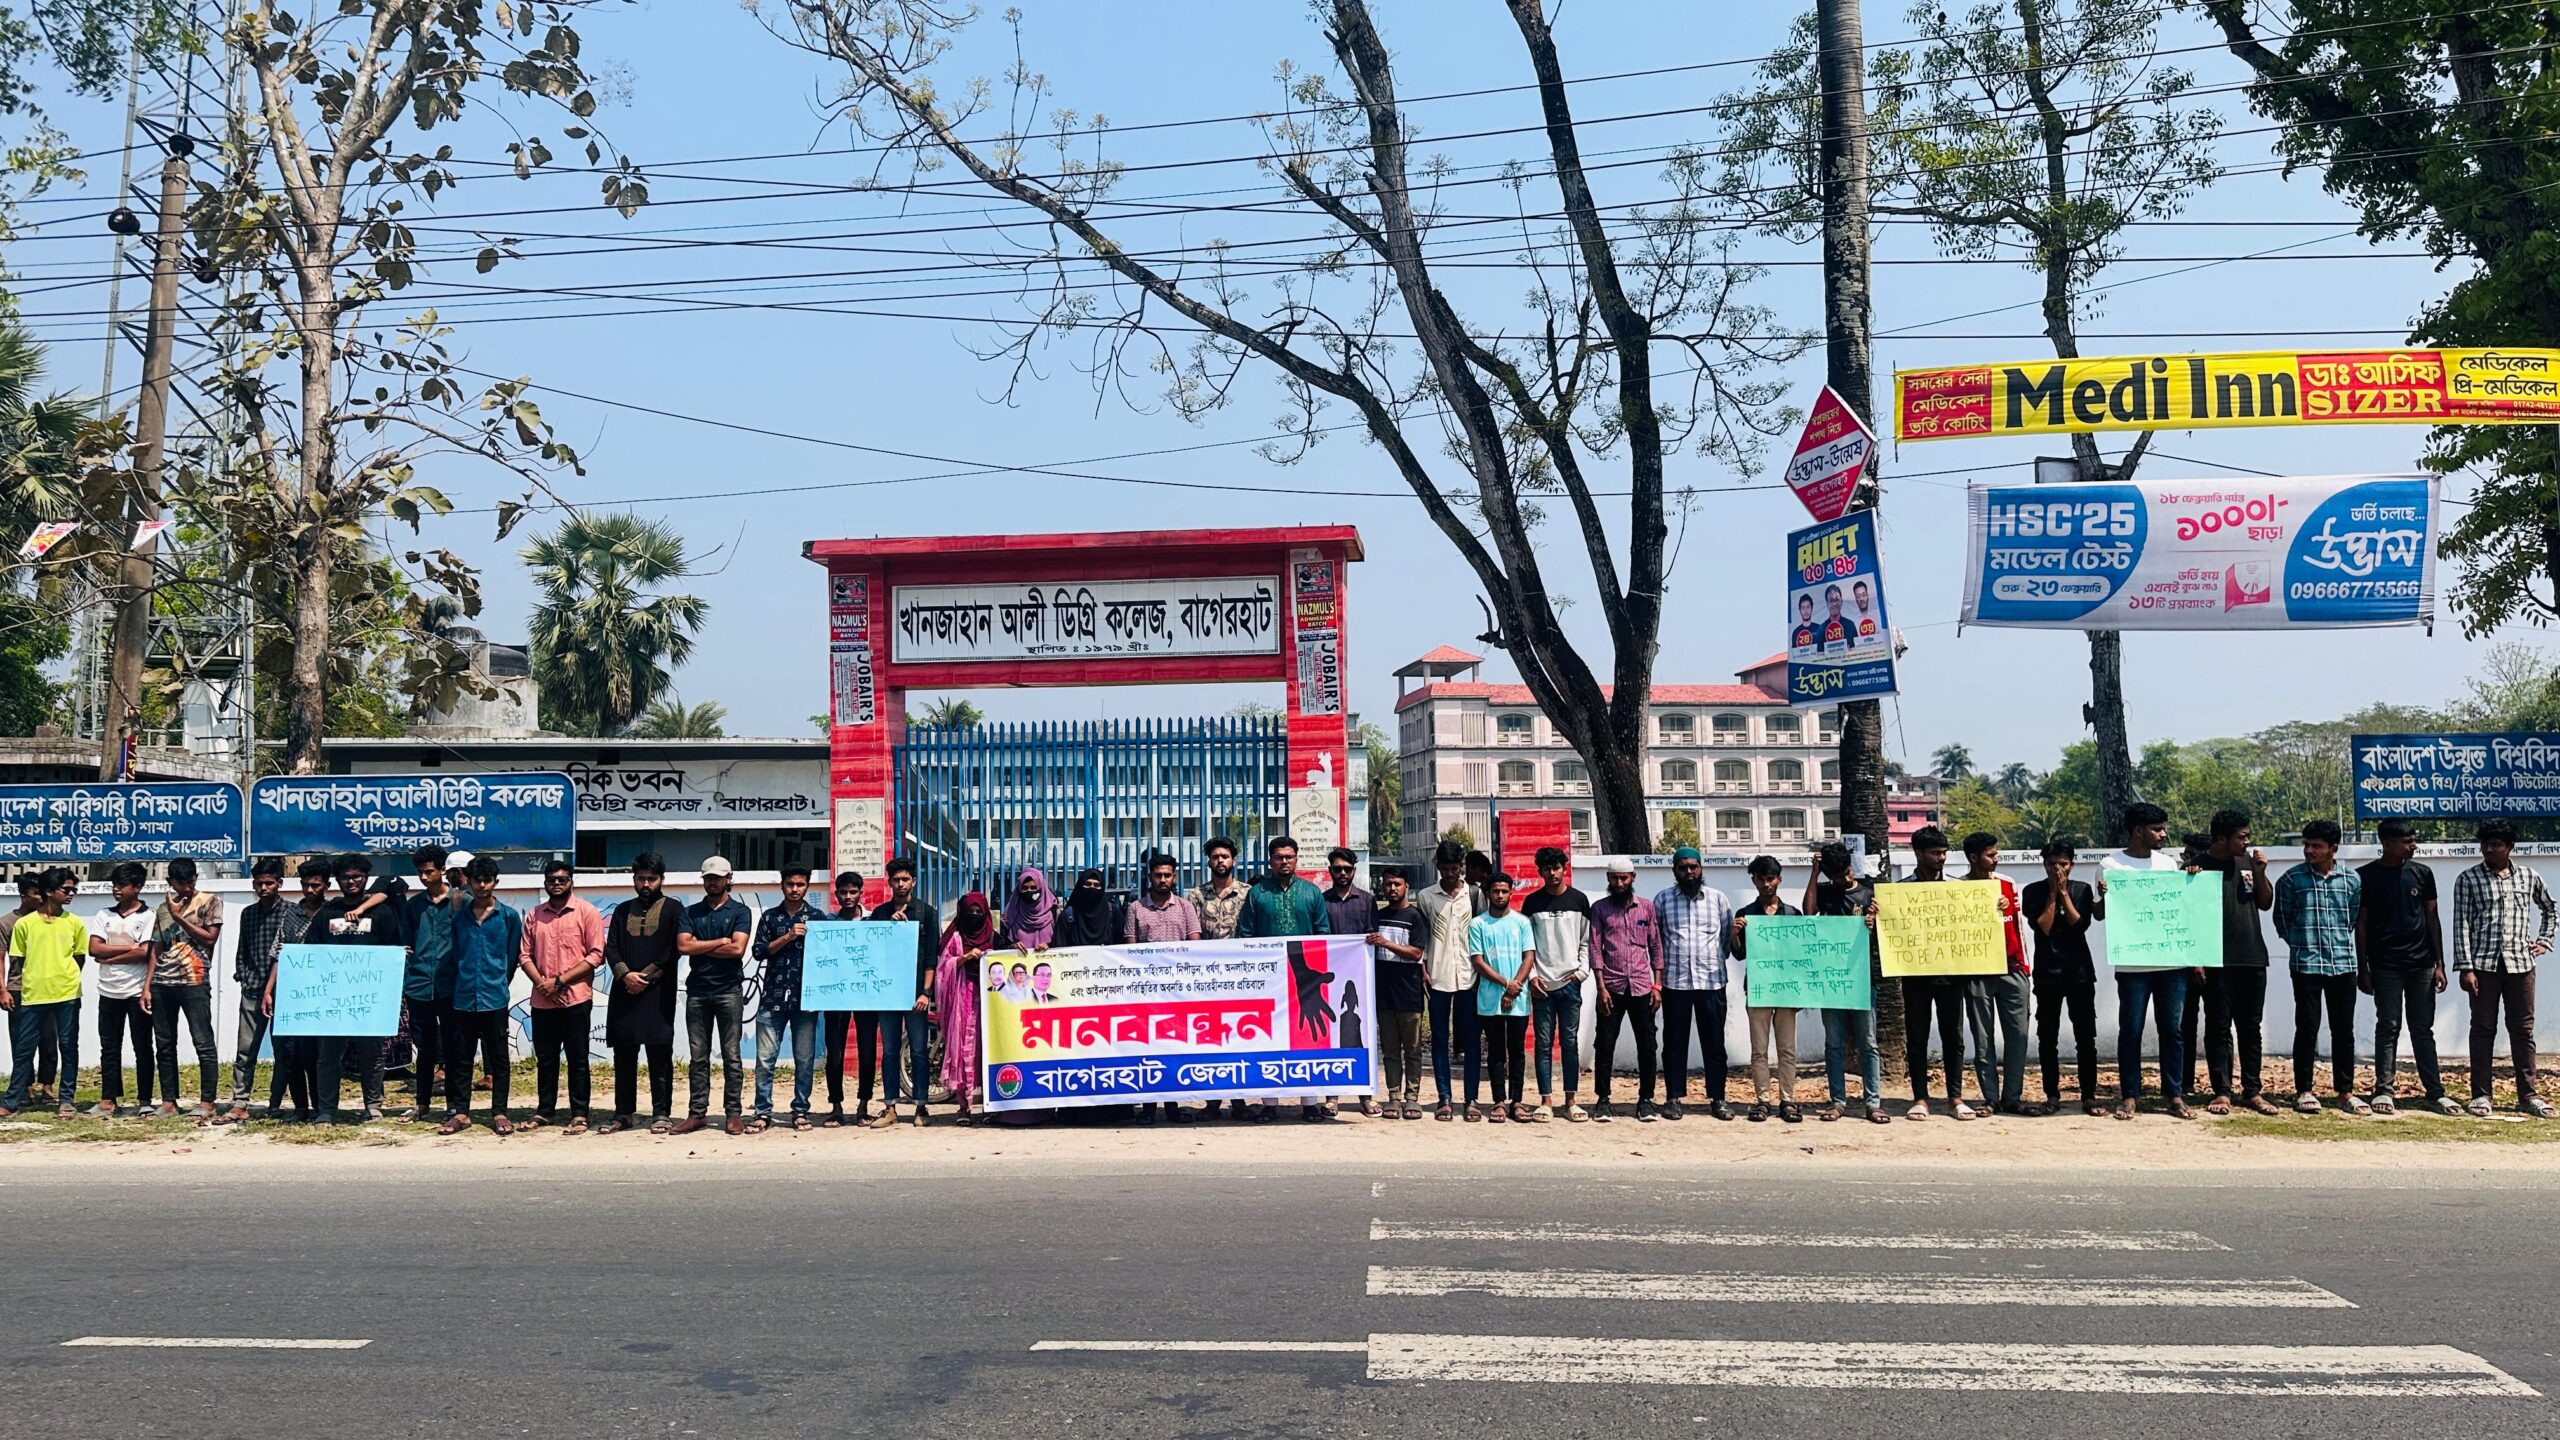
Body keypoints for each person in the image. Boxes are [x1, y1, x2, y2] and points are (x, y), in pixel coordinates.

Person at [2452, 820, 2555, 1117]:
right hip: (2483, 965)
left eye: (2496, 844)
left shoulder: (2528, 877)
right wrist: (2465, 967)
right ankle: (2481, 1095)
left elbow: (2549, 907)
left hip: (2521, 964)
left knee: (2522, 1030)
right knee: (2483, 1029)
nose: (2489, 849)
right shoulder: (2468, 879)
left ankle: (2528, 1095)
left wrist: (2544, 940)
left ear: (2510, 847)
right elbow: (2461, 924)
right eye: (2485, 844)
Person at [2101, 803, 2193, 1121]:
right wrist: (2104, 896)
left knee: (2173, 1030)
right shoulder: (2112, 865)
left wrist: (2191, 882)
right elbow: (2101, 914)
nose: (2163, 834)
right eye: (2157, 829)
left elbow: (2181, 908)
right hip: (2133, 965)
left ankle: (2175, 1095)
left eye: (2163, 828)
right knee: (2132, 1030)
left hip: (2170, 963)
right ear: (2138, 831)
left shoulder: (2168, 865)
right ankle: (2130, 1095)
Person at [2186, 811, 2279, 1115]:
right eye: (2241, 836)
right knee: (2218, 1028)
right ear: (2221, 838)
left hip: (2252, 957)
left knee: (2250, 1028)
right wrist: (2195, 959)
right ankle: (2222, 1092)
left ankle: (2252, 1091)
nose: (2247, 841)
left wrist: (2262, 872)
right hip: (2215, 960)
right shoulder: (2196, 868)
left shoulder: (2249, 863)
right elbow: (2187, 918)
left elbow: (2265, 903)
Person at [2359, 817, 2454, 1116]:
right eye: (2407, 841)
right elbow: (2360, 925)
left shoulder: (2422, 874)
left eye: (2414, 840)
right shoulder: (2365, 876)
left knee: (2422, 1029)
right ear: (2387, 844)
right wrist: (2363, 967)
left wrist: (2440, 964)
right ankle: (2384, 1090)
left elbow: (2432, 918)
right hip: (2385, 965)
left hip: (2422, 965)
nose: (2413, 846)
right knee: (2388, 1027)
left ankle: (2435, 1093)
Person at [2275, 819, 2366, 1116]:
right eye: (2307, 845)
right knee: (2307, 1028)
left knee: (2344, 1031)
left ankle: (2345, 1092)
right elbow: (2283, 921)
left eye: (2317, 846)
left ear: (2333, 849)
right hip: (2306, 964)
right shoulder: (2290, 880)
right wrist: (2303, 945)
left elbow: (2352, 920)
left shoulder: (2351, 880)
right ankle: (2304, 1090)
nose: (2309, 850)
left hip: (2343, 963)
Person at [1237, 836, 1330, 1121]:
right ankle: (1269, 1103)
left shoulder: (1312, 893)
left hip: (1304, 980)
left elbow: (1323, 935)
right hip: (1268, 981)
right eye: (1279, 857)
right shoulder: (1258, 894)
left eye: (1289, 856)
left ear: (1297, 859)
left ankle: (1310, 1102)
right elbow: (1245, 936)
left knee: (1307, 1037)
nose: (1284, 862)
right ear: (1270, 860)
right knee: (1270, 1039)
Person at [313, 853, 407, 1122]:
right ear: (337, 880)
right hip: (333, 999)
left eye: (357, 876)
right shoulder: (327, 912)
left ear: (365, 878)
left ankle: (373, 1106)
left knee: (372, 1055)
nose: (351, 881)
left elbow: (394, 949)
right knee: (328, 1056)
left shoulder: (382, 912)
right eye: (345, 877)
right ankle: (327, 1110)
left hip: (370, 998)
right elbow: (311, 952)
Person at [1802, 842, 1888, 1125]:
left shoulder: (1869, 893)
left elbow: (1888, 934)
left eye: (1847, 872)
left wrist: (1876, 922)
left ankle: (1872, 1102)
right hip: (1831, 981)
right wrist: (1814, 873)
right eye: (1838, 876)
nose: (1845, 879)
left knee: (1869, 1043)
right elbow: (1808, 910)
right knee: (1834, 1044)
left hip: (1863, 979)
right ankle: (1838, 1101)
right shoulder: (1825, 893)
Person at [436, 855, 523, 1135]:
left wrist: (498, 983)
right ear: (470, 882)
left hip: (494, 997)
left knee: (498, 1059)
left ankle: (499, 1112)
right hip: (463, 997)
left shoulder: (508, 917)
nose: (483, 885)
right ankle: (462, 1113)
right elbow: (455, 954)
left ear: (495, 882)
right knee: (461, 1058)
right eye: (478, 880)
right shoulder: (459, 917)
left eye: (488, 880)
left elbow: (511, 958)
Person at [519, 859, 604, 1134]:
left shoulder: (587, 912)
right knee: (546, 1059)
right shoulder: (534, 915)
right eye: (552, 879)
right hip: (542, 999)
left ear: (571, 882)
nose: (557, 883)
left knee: (578, 1058)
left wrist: (560, 981)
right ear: (545, 883)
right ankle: (545, 1111)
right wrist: (543, 984)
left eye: (562, 879)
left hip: (576, 997)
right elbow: (524, 955)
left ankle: (580, 1113)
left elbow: (595, 955)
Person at [218, 857, 304, 1125]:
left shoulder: (292, 913)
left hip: (285, 994)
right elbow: (241, 950)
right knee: (245, 1050)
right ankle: (240, 1101)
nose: (264, 888)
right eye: (259, 883)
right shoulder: (248, 913)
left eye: (269, 883)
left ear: (280, 883)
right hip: (253, 991)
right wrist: (244, 978)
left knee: (285, 1053)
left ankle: (276, 1103)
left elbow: (292, 954)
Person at [601, 854, 683, 1135]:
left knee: (659, 1054)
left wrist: (644, 977)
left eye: (651, 878)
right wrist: (626, 975)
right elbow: (611, 948)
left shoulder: (673, 909)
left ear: (662, 879)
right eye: (641, 878)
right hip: (624, 992)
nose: (646, 884)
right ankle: (623, 1112)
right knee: (624, 1054)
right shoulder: (623, 910)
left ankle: (661, 1113)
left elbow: (673, 950)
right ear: (634, 879)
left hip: (658, 993)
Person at [1897, 828, 1974, 1122]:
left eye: (1943, 853)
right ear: (1917, 853)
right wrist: (1879, 914)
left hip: (1951, 975)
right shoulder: (1901, 891)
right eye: (1935, 853)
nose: (1941, 858)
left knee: (1953, 1037)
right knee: (1917, 1037)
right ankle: (1920, 1097)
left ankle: (1955, 1097)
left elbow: (1972, 923)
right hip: (1915, 976)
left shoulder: (1957, 889)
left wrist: (1994, 909)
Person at [1656, 846, 1736, 1122]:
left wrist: (1713, 960)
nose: (1689, 872)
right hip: (1675, 984)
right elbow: (1657, 941)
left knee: (1714, 1043)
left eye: (1693, 867)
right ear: (1674, 871)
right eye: (1683, 867)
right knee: (1674, 1043)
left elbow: (1726, 938)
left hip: (1711, 982)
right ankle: (1674, 1098)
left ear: (1701, 868)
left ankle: (1718, 1098)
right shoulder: (1663, 900)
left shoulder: (1717, 899)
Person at [2022, 841, 2103, 1116]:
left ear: (2072, 864)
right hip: (2047, 974)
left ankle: (2088, 1096)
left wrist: (2065, 893)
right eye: (2052, 864)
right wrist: (2053, 894)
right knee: (2047, 1037)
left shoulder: (2082, 890)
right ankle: (2052, 1095)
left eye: (2063, 864)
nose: (2057, 869)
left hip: (2079, 972)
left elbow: (2079, 924)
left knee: (2085, 1037)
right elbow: (2042, 927)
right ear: (2044, 864)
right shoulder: (2032, 892)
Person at [675, 856, 754, 1136]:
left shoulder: (741, 911)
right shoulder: (691, 912)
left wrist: (700, 946)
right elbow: (683, 946)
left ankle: (733, 1113)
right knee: (698, 1056)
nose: (713, 882)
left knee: (731, 1055)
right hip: (697, 990)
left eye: (718, 877)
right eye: (708, 877)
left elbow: (737, 950)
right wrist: (720, 941)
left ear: (728, 878)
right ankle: (697, 1113)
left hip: (728, 990)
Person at [1125, 851, 1203, 1124]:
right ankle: (1148, 1108)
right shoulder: (1136, 908)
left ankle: (1172, 1107)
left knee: (1173, 1047)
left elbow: (1194, 944)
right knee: (1147, 1048)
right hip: (1147, 991)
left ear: (1174, 877)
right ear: (1150, 877)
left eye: (1167, 875)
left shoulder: (1185, 907)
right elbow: (1130, 949)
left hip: (1177, 991)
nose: (1162, 880)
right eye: (1157, 875)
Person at [1, 869, 86, 1118]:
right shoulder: (24, 925)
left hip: (67, 994)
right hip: (33, 994)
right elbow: (18, 960)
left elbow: (79, 958)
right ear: (49, 892)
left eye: (74, 890)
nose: (71, 894)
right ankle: (13, 1100)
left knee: (68, 1047)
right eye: (66, 890)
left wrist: (64, 977)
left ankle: (66, 1100)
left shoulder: (74, 923)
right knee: (23, 1049)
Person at [864, 857, 942, 1129]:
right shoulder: (880, 914)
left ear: (914, 881)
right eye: (895, 879)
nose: (900, 884)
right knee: (889, 1051)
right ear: (889, 882)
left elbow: (932, 957)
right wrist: (890, 929)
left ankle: (921, 1106)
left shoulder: (927, 912)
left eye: (905, 879)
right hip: (887, 994)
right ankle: (890, 1107)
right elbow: (871, 953)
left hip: (915, 996)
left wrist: (925, 993)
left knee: (919, 1051)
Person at [257, 859, 337, 1123]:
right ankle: (300, 1108)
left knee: (316, 1053)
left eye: (316, 885)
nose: (310, 890)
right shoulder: (290, 914)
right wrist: (269, 991)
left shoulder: (332, 913)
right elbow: (279, 954)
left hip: (321, 995)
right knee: (289, 1053)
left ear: (327, 885)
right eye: (305, 885)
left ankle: (319, 1107)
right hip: (290, 993)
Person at [1959, 832, 2031, 1115]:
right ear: (1973, 858)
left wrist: (2025, 968)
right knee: (1983, 1040)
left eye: (1996, 854)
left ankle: (2012, 1096)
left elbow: (2018, 929)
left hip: (2012, 969)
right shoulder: (1958, 889)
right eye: (1990, 855)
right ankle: (1990, 1098)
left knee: (2018, 1037)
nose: (1996, 859)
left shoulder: (2007, 884)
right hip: (1978, 972)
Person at [749, 865, 823, 1133]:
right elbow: (759, 952)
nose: (795, 889)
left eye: (800, 885)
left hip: (806, 1000)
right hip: (773, 999)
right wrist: (788, 936)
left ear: (807, 887)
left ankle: (801, 1111)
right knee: (765, 1060)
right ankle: (762, 1113)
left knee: (804, 1060)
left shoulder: (817, 918)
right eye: (790, 884)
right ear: (782, 886)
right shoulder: (770, 917)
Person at [1520, 846, 1591, 1123]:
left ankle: (1571, 1100)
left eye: (1556, 868)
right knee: (1543, 1044)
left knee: (1570, 1042)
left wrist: (1581, 973)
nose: (1552, 873)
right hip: (1541, 985)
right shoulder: (1532, 903)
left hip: (1570, 983)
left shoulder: (1579, 900)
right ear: (1540, 872)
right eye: (1547, 869)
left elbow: (1586, 941)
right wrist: (1533, 976)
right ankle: (1546, 1101)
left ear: (1564, 868)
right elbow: (1527, 946)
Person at [147, 857, 223, 1116]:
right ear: (170, 882)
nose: (187, 888)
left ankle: (207, 1102)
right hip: (162, 982)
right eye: (181, 883)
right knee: (165, 1043)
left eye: (191, 882)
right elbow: (156, 947)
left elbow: (210, 939)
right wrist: (147, 986)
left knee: (202, 1041)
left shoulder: (210, 901)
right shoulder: (162, 909)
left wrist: (180, 918)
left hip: (194, 981)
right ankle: (169, 1100)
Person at [1731, 853, 1803, 1124]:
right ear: (1754, 881)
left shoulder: (1793, 915)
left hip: (1785, 990)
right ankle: (1762, 1100)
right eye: (1761, 879)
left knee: (1787, 1049)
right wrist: (1734, 934)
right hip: (1759, 988)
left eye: (1770, 878)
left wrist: (1801, 992)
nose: (1766, 884)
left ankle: (1788, 1099)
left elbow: (1801, 957)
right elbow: (1738, 955)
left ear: (1779, 880)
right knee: (1759, 1049)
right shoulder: (1746, 915)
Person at [1416, 839, 1483, 1123]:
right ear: (1438, 867)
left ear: (1462, 867)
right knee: (1440, 1039)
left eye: (1454, 868)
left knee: (1470, 1040)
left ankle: (1471, 1099)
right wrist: (1423, 968)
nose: (1450, 874)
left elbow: (1482, 933)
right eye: (1444, 869)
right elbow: (1420, 936)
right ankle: (1444, 1097)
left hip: (1470, 975)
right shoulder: (1426, 896)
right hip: (1438, 974)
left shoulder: (1475, 895)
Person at [396, 845, 463, 1123]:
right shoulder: (413, 906)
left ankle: (454, 1106)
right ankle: (422, 1104)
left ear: (442, 871)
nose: (424, 877)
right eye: (420, 873)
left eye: (429, 871)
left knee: (453, 1048)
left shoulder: (460, 902)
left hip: (451, 986)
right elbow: (406, 943)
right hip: (419, 985)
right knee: (424, 1050)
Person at [1187, 836, 1249, 1120]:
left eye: (1225, 856)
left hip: (1240, 979)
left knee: (1238, 1038)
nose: (1220, 861)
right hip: (1207, 980)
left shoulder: (1248, 893)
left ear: (1233, 860)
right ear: (1209, 861)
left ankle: (1238, 1099)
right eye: (1215, 857)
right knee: (1210, 1039)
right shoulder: (1196, 896)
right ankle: (1212, 1100)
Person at [1466, 873, 1535, 1123]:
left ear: (1511, 892)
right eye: (1495, 891)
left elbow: (1529, 957)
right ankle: (1498, 1101)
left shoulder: (1522, 922)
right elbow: (1478, 961)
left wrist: (1513, 989)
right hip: (1489, 1000)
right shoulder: (1478, 924)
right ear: (1488, 893)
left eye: (1504, 891)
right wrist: (1506, 984)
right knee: (1496, 1052)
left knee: (1517, 1050)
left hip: (1518, 998)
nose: (1500, 896)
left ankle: (1517, 1101)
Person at [87, 861, 155, 1117]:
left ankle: (145, 1100)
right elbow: (94, 948)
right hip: (108, 991)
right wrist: (129, 950)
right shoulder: (105, 914)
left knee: (143, 1046)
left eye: (122, 885)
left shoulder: (148, 916)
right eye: (114, 884)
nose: (117, 889)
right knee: (110, 1047)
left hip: (137, 991)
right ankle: (108, 1099)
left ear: (137, 887)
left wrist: (109, 957)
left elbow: (145, 951)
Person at [1367, 865, 1428, 1122]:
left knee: (1412, 1049)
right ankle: (1393, 1095)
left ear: (1406, 887)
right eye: (1388, 884)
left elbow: (1416, 953)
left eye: (1397, 884)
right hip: (1383, 993)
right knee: (1390, 1049)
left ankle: (1412, 1097)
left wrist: (1387, 943)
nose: (1392, 889)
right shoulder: (1376, 917)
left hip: (1409, 992)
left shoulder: (1415, 917)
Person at [935, 892, 995, 1120]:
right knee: (963, 1052)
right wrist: (965, 958)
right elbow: (943, 967)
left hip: (988, 1001)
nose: (975, 915)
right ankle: (964, 1107)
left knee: (988, 1050)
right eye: (971, 911)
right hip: (962, 999)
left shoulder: (994, 936)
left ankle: (991, 1107)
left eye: (979, 911)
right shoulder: (955, 937)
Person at [2, 873, 56, 1107]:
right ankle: (24, 1087)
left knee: (49, 1040)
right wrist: (2, 989)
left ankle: (47, 1085)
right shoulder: (7, 923)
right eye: (36, 893)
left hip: (48, 988)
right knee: (21, 1041)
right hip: (18, 988)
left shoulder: (51, 919)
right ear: (23, 895)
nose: (41, 897)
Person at [1056, 868, 1120, 948]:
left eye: (1096, 885)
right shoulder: (1069, 915)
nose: (1092, 888)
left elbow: (1121, 945)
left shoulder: (1112, 912)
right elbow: (1059, 946)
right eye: (1088, 884)